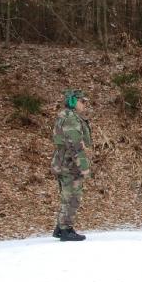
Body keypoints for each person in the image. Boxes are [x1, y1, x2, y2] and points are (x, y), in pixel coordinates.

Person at [51, 89, 92, 242]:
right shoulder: (71, 119)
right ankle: (65, 230)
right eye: (82, 101)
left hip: (64, 162)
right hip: (69, 164)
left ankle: (61, 227)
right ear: (73, 102)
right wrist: (83, 166)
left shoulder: (67, 116)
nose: (85, 104)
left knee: (68, 195)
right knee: (72, 196)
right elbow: (75, 146)